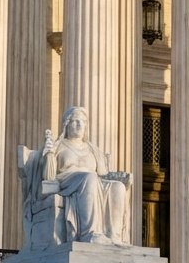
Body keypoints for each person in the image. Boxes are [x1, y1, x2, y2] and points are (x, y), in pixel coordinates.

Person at [42, 105, 129, 245]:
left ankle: (114, 235)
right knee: (90, 178)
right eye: (75, 120)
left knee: (118, 187)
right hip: (67, 181)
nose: (79, 124)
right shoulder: (59, 145)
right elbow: (49, 176)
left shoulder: (92, 148)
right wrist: (49, 155)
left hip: (94, 182)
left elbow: (103, 174)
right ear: (67, 124)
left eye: (82, 121)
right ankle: (89, 233)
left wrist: (120, 178)